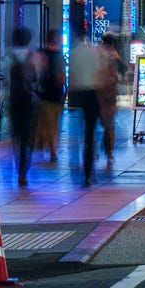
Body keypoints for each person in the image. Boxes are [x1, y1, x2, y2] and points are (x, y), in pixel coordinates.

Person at [68, 35, 104, 187]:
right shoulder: (94, 52)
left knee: (75, 133)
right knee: (90, 133)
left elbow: (71, 75)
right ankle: (88, 169)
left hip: (76, 95)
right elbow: (99, 74)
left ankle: (77, 162)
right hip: (92, 94)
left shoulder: (74, 53)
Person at [5, 28, 36, 189]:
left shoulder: (8, 59)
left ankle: (19, 169)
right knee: (26, 138)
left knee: (16, 136)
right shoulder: (32, 58)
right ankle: (23, 171)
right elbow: (37, 81)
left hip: (14, 102)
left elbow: (5, 83)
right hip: (29, 103)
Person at [32, 40, 65, 164]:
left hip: (45, 96)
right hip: (53, 97)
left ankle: (44, 146)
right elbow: (62, 77)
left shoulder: (42, 55)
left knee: (46, 123)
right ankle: (51, 151)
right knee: (51, 124)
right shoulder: (57, 57)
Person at [96, 33, 124, 170]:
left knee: (93, 124)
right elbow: (123, 71)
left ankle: (95, 150)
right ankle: (109, 153)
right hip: (108, 96)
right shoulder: (113, 56)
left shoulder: (95, 52)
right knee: (109, 125)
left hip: (95, 93)